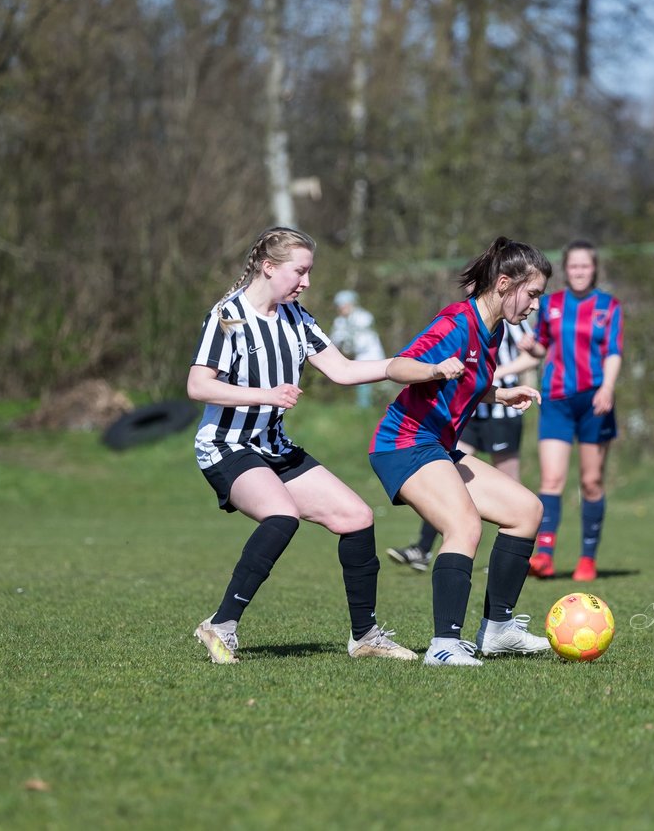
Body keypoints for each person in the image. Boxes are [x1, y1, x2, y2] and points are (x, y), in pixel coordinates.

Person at [188, 226, 439, 664]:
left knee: (358, 517)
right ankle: (220, 625)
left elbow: (343, 370)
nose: (306, 282)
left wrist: (419, 369)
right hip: (226, 446)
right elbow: (197, 385)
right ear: (269, 267)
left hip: (275, 447)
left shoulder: (296, 318)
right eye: (299, 272)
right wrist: (264, 395)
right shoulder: (227, 316)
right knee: (281, 516)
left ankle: (365, 637)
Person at [369, 236, 553, 666]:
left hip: (436, 446)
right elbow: (397, 367)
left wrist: (500, 396)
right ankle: (444, 646)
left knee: (526, 511)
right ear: (504, 283)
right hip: (404, 445)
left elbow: (467, 382)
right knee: (463, 526)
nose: (535, 306)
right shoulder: (457, 322)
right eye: (533, 294)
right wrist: (433, 367)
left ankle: (499, 630)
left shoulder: (492, 331)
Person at [386, 317, 540, 571]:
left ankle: (505, 553)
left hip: (503, 414)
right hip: (471, 413)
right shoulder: (465, 322)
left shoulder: (511, 321)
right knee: (446, 474)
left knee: (510, 483)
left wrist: (498, 376)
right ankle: (423, 548)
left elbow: (533, 356)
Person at [518, 239, 624, 582]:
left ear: (594, 269)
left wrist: (607, 387)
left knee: (591, 481)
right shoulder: (549, 304)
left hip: (595, 401)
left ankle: (587, 559)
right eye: (574, 266)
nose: (579, 271)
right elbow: (541, 347)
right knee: (551, 479)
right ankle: (545, 554)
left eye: (585, 266)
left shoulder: (609, 306)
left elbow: (613, 351)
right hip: (557, 400)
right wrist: (532, 346)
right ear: (567, 269)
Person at [329, 290, 386, 408]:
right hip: (353, 357)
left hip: (370, 354)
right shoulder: (339, 321)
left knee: (376, 383)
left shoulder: (364, 317)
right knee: (359, 382)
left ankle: (372, 408)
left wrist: (349, 347)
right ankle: (362, 408)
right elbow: (334, 340)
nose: (341, 309)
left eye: (344, 305)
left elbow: (363, 341)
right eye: (339, 306)